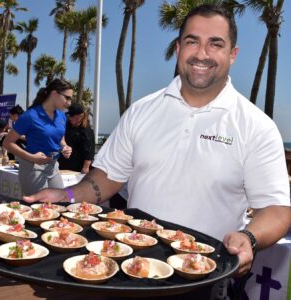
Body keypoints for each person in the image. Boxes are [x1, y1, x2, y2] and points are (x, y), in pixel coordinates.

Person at [22, 5, 290, 298]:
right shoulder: (141, 111)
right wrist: (68, 196)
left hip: (205, 279)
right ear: (178, 48)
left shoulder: (256, 125)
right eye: (192, 41)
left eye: (216, 44)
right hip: (131, 270)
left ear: (233, 54)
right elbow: (107, 178)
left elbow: (276, 210)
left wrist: (249, 237)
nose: (202, 53)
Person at [3, 78, 73, 195]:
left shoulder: (62, 116)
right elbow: (7, 143)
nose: (69, 103)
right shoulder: (30, 116)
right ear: (54, 94)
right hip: (33, 167)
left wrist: (65, 147)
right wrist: (31, 157)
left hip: (54, 166)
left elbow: (60, 138)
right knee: (40, 209)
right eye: (67, 98)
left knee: (60, 204)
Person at [58, 103, 95, 174]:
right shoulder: (68, 125)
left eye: (72, 115)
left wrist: (85, 167)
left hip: (77, 169)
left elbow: (89, 152)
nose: (69, 117)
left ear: (80, 116)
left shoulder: (86, 131)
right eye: (69, 115)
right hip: (63, 165)